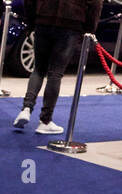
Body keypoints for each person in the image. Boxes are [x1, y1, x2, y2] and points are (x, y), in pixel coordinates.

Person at [13, 0, 100, 135]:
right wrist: (89, 30)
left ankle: (26, 109)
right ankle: (45, 121)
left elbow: (29, 1)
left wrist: (32, 22)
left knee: (38, 69)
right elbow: (95, 4)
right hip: (71, 23)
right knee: (55, 73)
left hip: (43, 20)